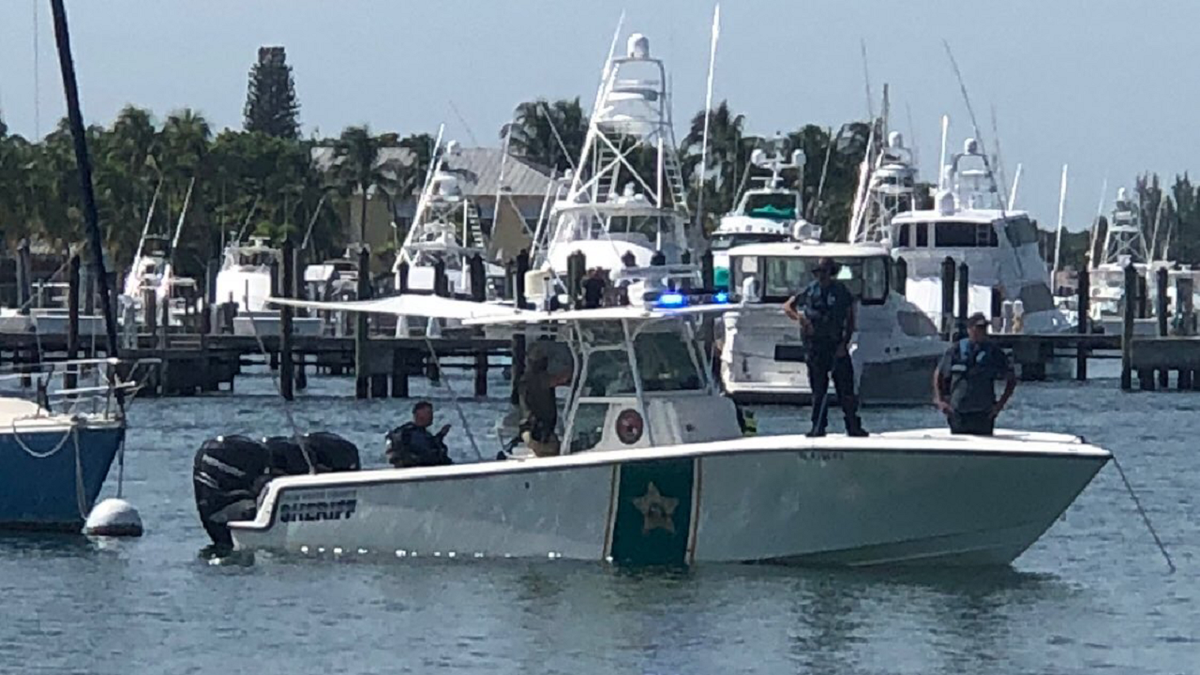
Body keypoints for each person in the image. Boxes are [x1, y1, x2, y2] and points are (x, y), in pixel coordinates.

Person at [783, 257, 867, 437]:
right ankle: (818, 426)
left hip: (836, 345)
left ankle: (853, 426)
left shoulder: (841, 291)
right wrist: (801, 319)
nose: (821, 276)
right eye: (818, 272)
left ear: (832, 273)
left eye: (824, 272)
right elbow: (788, 306)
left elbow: (850, 319)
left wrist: (845, 343)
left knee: (845, 389)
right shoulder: (810, 289)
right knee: (818, 390)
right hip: (815, 347)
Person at [933, 312, 1017, 435]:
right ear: (969, 329)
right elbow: (938, 374)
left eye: (984, 328)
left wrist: (999, 405)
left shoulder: (994, 352)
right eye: (979, 328)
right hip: (958, 412)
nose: (983, 331)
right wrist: (940, 400)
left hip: (984, 414)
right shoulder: (955, 350)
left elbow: (1011, 379)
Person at [520, 352, 572, 457]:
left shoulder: (526, 378)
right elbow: (558, 379)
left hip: (534, 421)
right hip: (538, 422)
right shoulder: (537, 377)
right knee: (551, 447)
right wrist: (574, 369)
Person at [385, 401, 453, 467]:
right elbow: (428, 454)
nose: (432, 416)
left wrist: (441, 435)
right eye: (428, 413)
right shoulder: (414, 434)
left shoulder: (418, 433)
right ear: (418, 415)